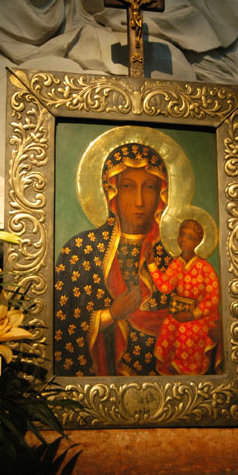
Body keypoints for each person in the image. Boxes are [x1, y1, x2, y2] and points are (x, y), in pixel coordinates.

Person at [54, 142, 174, 377]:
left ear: (161, 195)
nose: (139, 201)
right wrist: (109, 315)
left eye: (149, 187)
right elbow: (60, 326)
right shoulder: (81, 252)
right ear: (112, 191)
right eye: (128, 187)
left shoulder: (169, 262)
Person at [145, 219, 221, 375]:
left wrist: (193, 314)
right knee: (168, 323)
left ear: (198, 242)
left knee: (188, 329)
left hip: (203, 316)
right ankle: (169, 367)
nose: (184, 240)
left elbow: (213, 298)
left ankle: (186, 368)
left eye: (190, 237)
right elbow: (165, 287)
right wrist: (151, 263)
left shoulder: (204, 267)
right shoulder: (176, 264)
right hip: (182, 312)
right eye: (182, 235)